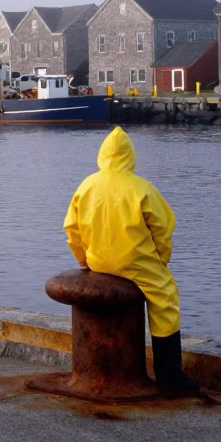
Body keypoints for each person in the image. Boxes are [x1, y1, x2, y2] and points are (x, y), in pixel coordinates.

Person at [63, 127, 199, 393]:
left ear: (102, 155)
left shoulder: (87, 185)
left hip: (98, 261)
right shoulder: (142, 188)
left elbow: (72, 228)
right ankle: (169, 375)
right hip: (136, 263)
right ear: (130, 156)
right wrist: (162, 260)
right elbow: (164, 228)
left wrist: (83, 261)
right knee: (165, 298)